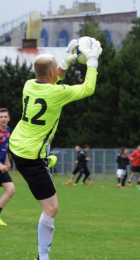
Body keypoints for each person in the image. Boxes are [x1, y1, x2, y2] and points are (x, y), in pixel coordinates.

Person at [9, 37, 102, 260]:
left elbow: (51, 78)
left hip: (19, 146)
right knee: (51, 209)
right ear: (51, 73)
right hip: (31, 157)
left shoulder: (28, 85)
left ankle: (47, 160)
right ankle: (43, 256)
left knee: (47, 161)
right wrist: (92, 60)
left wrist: (64, 63)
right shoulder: (58, 94)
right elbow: (88, 88)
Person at [0, 108, 15, 226]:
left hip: (1, 167)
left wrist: (6, 161)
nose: (3, 119)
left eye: (5, 116)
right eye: (1, 117)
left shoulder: (8, 130)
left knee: (11, 190)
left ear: (9, 118)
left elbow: (5, 147)